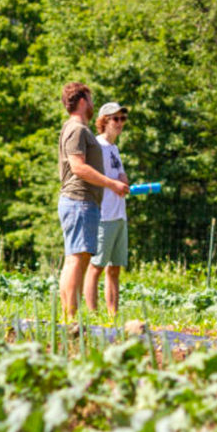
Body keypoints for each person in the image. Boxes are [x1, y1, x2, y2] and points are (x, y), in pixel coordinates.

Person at [57, 83, 129, 320]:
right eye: (90, 99)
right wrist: (111, 184)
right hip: (79, 200)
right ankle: (70, 317)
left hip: (82, 202)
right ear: (81, 102)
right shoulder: (77, 130)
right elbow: (78, 167)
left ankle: (69, 315)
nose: (92, 103)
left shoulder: (77, 129)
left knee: (76, 258)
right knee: (78, 260)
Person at [83, 102, 130, 315]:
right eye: (115, 119)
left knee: (115, 268)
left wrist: (122, 178)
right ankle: (93, 315)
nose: (120, 123)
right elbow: (92, 176)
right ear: (103, 121)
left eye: (122, 119)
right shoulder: (97, 146)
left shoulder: (114, 148)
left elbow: (118, 174)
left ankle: (113, 316)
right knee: (96, 267)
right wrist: (114, 184)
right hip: (103, 214)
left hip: (119, 214)